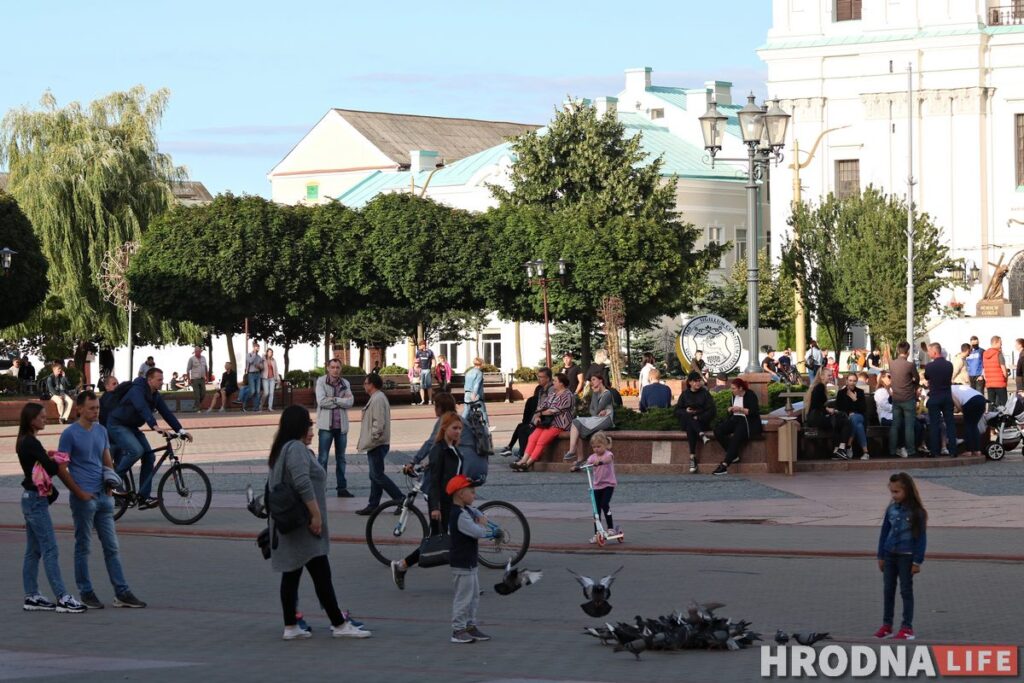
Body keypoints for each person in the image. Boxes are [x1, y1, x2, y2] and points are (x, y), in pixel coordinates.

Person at [268, 405, 371, 641]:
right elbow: (302, 483)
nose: (312, 429)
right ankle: (338, 624)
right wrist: (316, 516)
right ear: (299, 426)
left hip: (291, 525)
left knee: (292, 575)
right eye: (310, 425)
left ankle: (291, 626)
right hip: (303, 524)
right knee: (321, 574)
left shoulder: (281, 448)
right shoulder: (294, 449)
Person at [392, 394, 488, 588]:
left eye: (460, 429)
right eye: (456, 429)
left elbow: (444, 469)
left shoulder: (453, 447)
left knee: (446, 539)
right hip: (443, 500)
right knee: (440, 539)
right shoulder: (442, 448)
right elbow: (437, 476)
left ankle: (403, 566)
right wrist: (435, 505)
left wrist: (417, 462)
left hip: (450, 499)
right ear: (446, 429)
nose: (459, 431)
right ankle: (403, 566)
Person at [61, 391, 146, 609]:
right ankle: (86, 592)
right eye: (91, 408)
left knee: (112, 547)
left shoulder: (101, 430)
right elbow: (61, 467)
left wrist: (111, 484)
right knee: (83, 547)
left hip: (103, 496)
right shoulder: (69, 434)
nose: (96, 411)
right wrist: (79, 493)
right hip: (84, 499)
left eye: (97, 408)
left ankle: (122, 592)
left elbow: (107, 460)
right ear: (79, 409)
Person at [17, 403, 88, 613]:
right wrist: (56, 459)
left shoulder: (24, 441)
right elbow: (50, 469)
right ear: (32, 420)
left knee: (34, 550)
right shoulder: (30, 442)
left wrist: (47, 457)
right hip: (36, 501)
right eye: (42, 417)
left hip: (30, 498)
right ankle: (63, 597)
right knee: (50, 549)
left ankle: (32, 596)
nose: (45, 419)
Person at [108, 368, 191, 508]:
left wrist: (181, 430)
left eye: (162, 379)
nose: (161, 382)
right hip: (117, 424)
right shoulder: (137, 390)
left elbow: (166, 413)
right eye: (159, 380)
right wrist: (154, 425)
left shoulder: (155, 395)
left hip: (132, 427)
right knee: (136, 450)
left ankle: (143, 497)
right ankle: (113, 482)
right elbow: (141, 407)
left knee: (149, 457)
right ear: (149, 380)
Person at [873, 472, 928, 641]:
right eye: (892, 492)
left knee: (906, 591)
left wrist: (917, 561)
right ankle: (887, 625)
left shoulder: (917, 512)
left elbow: (921, 538)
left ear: (907, 491)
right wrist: (880, 555)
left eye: (897, 492)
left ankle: (907, 627)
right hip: (890, 555)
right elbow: (884, 532)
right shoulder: (891, 509)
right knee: (888, 590)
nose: (893, 495)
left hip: (907, 556)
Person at [446, 474, 491, 644]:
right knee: (463, 598)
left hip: (470, 562)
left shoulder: (466, 510)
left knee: (473, 597)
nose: (474, 495)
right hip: (462, 562)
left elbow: (477, 513)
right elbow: (478, 532)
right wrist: (482, 524)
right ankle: (458, 630)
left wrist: (479, 516)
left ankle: (470, 625)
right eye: (471, 492)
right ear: (460, 494)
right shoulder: (459, 515)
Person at [355, 374, 402, 515]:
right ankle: (373, 504)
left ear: (372, 384)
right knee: (374, 475)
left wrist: (374, 438)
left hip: (377, 443)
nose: (364, 385)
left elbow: (379, 422)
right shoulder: (377, 398)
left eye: (365, 383)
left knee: (377, 475)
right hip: (377, 442)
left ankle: (400, 498)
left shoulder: (378, 399)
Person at [510, 373, 574, 471]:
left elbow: (554, 410)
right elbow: (542, 406)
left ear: (561, 383)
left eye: (555, 381)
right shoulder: (553, 394)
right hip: (546, 422)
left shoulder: (568, 395)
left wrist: (541, 414)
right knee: (532, 437)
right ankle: (523, 460)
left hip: (559, 424)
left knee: (541, 440)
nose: (553, 383)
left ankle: (527, 464)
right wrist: (538, 415)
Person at [315, 359, 354, 498]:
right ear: (327, 368)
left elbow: (350, 402)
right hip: (326, 426)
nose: (335, 370)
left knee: (341, 458)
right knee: (323, 459)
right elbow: (321, 401)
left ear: (340, 369)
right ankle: (320, 489)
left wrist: (334, 399)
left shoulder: (345, 383)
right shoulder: (321, 382)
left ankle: (342, 488)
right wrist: (340, 401)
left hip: (341, 426)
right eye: (332, 367)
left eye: (338, 367)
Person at [571, 431, 619, 543]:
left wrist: (600, 462)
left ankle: (610, 528)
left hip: (608, 484)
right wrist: (578, 467)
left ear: (605, 445)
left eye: (599, 446)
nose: (596, 449)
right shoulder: (592, 457)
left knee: (604, 504)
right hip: (597, 486)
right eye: (594, 447)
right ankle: (597, 532)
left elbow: (608, 459)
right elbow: (587, 463)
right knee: (596, 511)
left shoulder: (608, 455)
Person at [497, 367, 553, 459]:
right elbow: (539, 408)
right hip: (539, 419)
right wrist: (534, 420)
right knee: (523, 428)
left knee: (523, 429)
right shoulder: (541, 390)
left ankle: (521, 453)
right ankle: (520, 453)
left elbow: (548, 406)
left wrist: (538, 417)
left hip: (548, 421)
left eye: (541, 377)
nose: (539, 379)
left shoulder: (551, 390)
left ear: (548, 378)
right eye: (538, 377)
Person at [711, 378, 761, 476]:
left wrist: (740, 409)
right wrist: (730, 409)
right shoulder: (733, 396)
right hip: (735, 419)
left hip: (747, 421)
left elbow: (753, 411)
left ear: (740, 388)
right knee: (718, 431)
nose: (732, 390)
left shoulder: (750, 395)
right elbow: (732, 412)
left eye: (734, 388)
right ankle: (733, 455)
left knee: (736, 437)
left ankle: (725, 465)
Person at [561, 374, 614, 463]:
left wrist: (596, 394)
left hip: (606, 420)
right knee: (576, 423)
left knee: (577, 423)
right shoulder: (596, 392)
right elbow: (591, 410)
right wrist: (595, 395)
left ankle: (575, 453)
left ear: (600, 380)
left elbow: (596, 409)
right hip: (597, 419)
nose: (592, 382)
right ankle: (576, 455)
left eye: (594, 379)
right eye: (591, 380)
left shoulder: (607, 393)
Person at [803, 367, 849, 459]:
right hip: (816, 417)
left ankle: (837, 450)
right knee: (844, 421)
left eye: (831, 375)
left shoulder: (818, 386)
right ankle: (840, 449)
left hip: (815, 417)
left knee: (838, 420)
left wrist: (829, 410)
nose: (831, 377)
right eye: (829, 375)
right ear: (822, 376)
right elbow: (816, 404)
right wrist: (828, 410)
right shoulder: (819, 387)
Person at [675, 371, 716, 474]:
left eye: (699, 381)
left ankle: (692, 458)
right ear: (690, 383)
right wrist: (686, 411)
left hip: (702, 421)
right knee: (690, 418)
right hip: (689, 420)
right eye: (695, 381)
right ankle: (701, 435)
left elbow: (712, 410)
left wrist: (699, 417)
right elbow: (677, 410)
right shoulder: (685, 394)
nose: (698, 383)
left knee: (691, 426)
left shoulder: (705, 393)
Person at [923, 343, 957, 458]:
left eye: (929, 351)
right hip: (947, 397)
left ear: (935, 352)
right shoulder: (949, 365)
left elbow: (927, 377)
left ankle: (935, 451)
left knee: (934, 424)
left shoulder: (929, 366)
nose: (928, 353)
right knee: (950, 423)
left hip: (935, 397)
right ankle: (953, 450)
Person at [889, 342, 919, 459]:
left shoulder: (891, 364)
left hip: (896, 398)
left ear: (898, 350)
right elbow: (916, 379)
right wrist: (912, 383)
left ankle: (892, 450)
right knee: (909, 426)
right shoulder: (910, 365)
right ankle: (911, 450)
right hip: (908, 398)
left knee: (895, 425)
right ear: (908, 352)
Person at [835, 372, 870, 460]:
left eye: (854, 381)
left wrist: (855, 399)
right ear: (846, 381)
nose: (852, 383)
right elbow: (839, 407)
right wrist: (849, 412)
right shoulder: (841, 393)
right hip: (847, 418)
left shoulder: (860, 392)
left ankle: (848, 446)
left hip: (860, 416)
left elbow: (863, 409)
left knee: (855, 418)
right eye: (850, 380)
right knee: (858, 426)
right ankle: (866, 452)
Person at [951, 384, 986, 458]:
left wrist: (959, 409)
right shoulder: (960, 387)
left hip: (970, 402)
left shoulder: (949, 389)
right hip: (981, 399)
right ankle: (977, 450)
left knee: (968, 426)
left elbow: (956, 402)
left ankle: (969, 450)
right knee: (974, 425)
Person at [982, 335, 1008, 407]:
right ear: (995, 342)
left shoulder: (984, 354)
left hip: (989, 383)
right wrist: (1006, 378)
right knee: (1004, 404)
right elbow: (1004, 369)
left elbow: (984, 368)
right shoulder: (998, 354)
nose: (1001, 344)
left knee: (991, 404)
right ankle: (1005, 418)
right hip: (1000, 383)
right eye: (1000, 343)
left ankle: (991, 418)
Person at [461, 357, 488, 425]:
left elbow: (465, 384)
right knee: (483, 410)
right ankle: (486, 426)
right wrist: (474, 394)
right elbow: (477, 384)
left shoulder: (468, 372)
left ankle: (460, 424)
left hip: (467, 393)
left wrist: (466, 392)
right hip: (475, 395)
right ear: (481, 364)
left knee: (466, 410)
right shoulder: (479, 373)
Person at [185, 346, 208, 413]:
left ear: (200, 351)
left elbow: (206, 368)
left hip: (202, 378)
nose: (198, 352)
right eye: (196, 351)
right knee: (197, 394)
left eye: (199, 351)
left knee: (203, 393)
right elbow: (188, 370)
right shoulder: (191, 359)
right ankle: (197, 408)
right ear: (195, 352)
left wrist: (207, 377)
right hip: (194, 379)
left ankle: (195, 405)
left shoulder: (204, 358)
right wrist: (188, 379)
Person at [244, 342, 264, 412]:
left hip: (258, 374)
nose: (258, 349)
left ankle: (256, 408)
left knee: (258, 392)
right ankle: (244, 403)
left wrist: (259, 366)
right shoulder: (248, 355)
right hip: (251, 374)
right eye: (256, 347)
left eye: (258, 348)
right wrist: (254, 354)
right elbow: (250, 361)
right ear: (253, 348)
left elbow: (262, 366)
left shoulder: (259, 357)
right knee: (253, 391)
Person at [414, 339, 435, 406]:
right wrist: (416, 368)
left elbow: (433, 360)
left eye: (420, 345)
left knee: (429, 386)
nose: (419, 347)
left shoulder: (430, 352)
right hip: (421, 370)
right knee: (421, 386)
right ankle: (422, 400)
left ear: (424, 345)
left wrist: (433, 368)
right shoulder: (418, 352)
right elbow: (416, 361)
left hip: (428, 370)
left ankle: (430, 400)